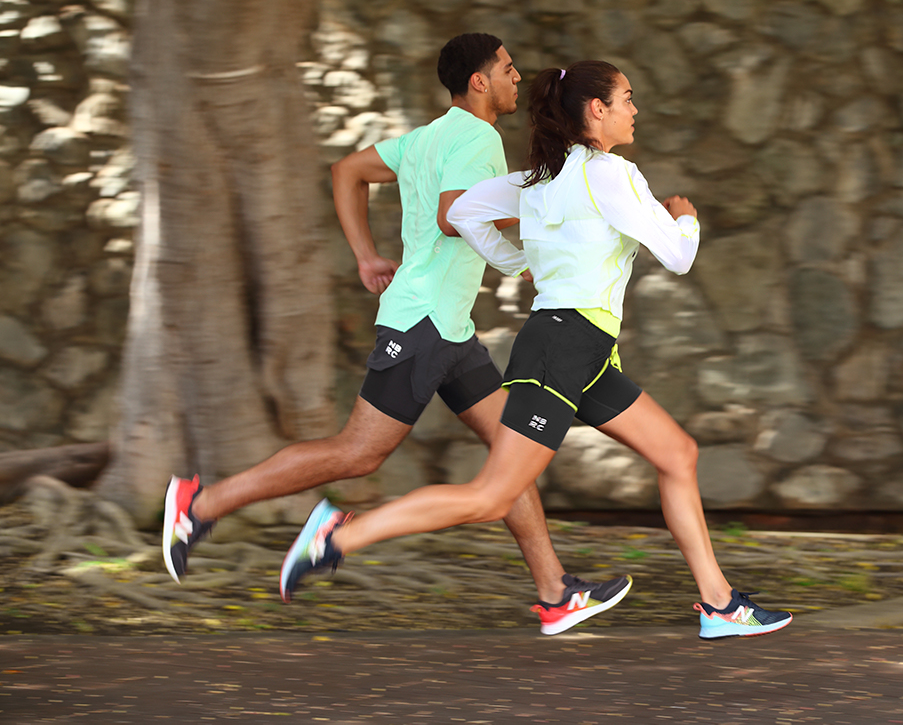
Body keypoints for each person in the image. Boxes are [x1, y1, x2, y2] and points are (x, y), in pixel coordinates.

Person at [279, 60, 793, 639]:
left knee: (677, 453)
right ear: (596, 111)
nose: (634, 109)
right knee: (492, 495)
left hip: (582, 349)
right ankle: (337, 537)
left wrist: (515, 263)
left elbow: (463, 214)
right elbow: (677, 256)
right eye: (627, 98)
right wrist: (685, 219)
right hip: (562, 350)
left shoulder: (540, 178)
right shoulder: (612, 174)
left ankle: (720, 607)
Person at [161, 35, 632, 636]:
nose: (519, 79)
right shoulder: (476, 136)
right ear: (480, 82)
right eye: (509, 70)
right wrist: (553, 220)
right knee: (358, 452)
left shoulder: (425, 137)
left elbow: (347, 170)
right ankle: (199, 506)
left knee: (508, 458)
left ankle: (556, 590)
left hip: (449, 329)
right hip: (425, 324)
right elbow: (452, 212)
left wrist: (365, 256)